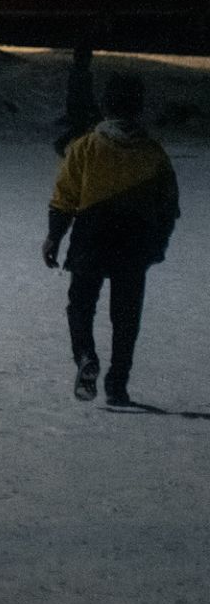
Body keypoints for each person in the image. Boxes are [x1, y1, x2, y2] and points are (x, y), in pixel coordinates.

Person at [45, 72, 180, 407]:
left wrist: (54, 237)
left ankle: (86, 356)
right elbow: (168, 206)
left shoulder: (85, 147)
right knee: (126, 315)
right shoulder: (153, 153)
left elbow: (64, 197)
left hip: (92, 236)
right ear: (138, 108)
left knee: (80, 305)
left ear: (105, 106)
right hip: (135, 243)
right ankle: (118, 384)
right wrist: (157, 245)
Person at [53, 38, 100, 157]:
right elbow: (86, 93)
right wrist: (92, 107)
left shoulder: (77, 72)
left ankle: (76, 149)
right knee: (81, 127)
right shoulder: (82, 74)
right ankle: (65, 145)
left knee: (81, 127)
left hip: (76, 104)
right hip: (79, 105)